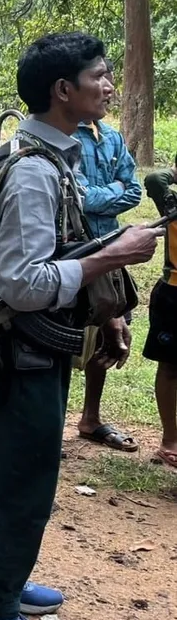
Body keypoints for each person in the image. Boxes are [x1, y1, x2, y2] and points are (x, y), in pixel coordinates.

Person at [0, 33, 157, 620]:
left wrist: (105, 306)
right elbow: (23, 283)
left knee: (8, 467)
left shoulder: (50, 156)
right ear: (63, 90)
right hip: (21, 354)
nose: (109, 86)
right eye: (99, 76)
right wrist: (113, 256)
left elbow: (57, 253)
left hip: (29, 349)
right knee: (22, 473)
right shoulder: (35, 172)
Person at [72, 60, 142, 453]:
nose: (109, 89)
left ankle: (91, 417)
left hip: (110, 248)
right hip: (73, 250)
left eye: (110, 79)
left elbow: (134, 191)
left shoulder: (112, 137)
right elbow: (77, 200)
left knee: (108, 333)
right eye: (100, 80)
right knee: (64, 334)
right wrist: (112, 191)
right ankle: (50, 419)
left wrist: (104, 195)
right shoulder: (65, 139)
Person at [142, 161, 177, 470]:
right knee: (169, 367)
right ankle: (170, 439)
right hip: (173, 293)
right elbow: (155, 178)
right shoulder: (172, 203)